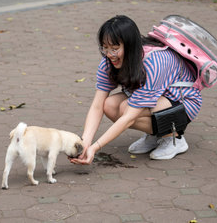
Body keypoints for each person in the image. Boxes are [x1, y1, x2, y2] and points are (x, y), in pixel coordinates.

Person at [70, 15, 202, 165]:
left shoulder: (154, 62)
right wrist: (84, 144)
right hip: (156, 99)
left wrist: (95, 147)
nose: (109, 54)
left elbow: (129, 117)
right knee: (109, 105)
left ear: (130, 46)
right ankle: (155, 135)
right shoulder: (108, 61)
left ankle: (173, 139)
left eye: (114, 48)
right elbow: (97, 105)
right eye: (104, 47)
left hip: (184, 102)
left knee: (126, 108)